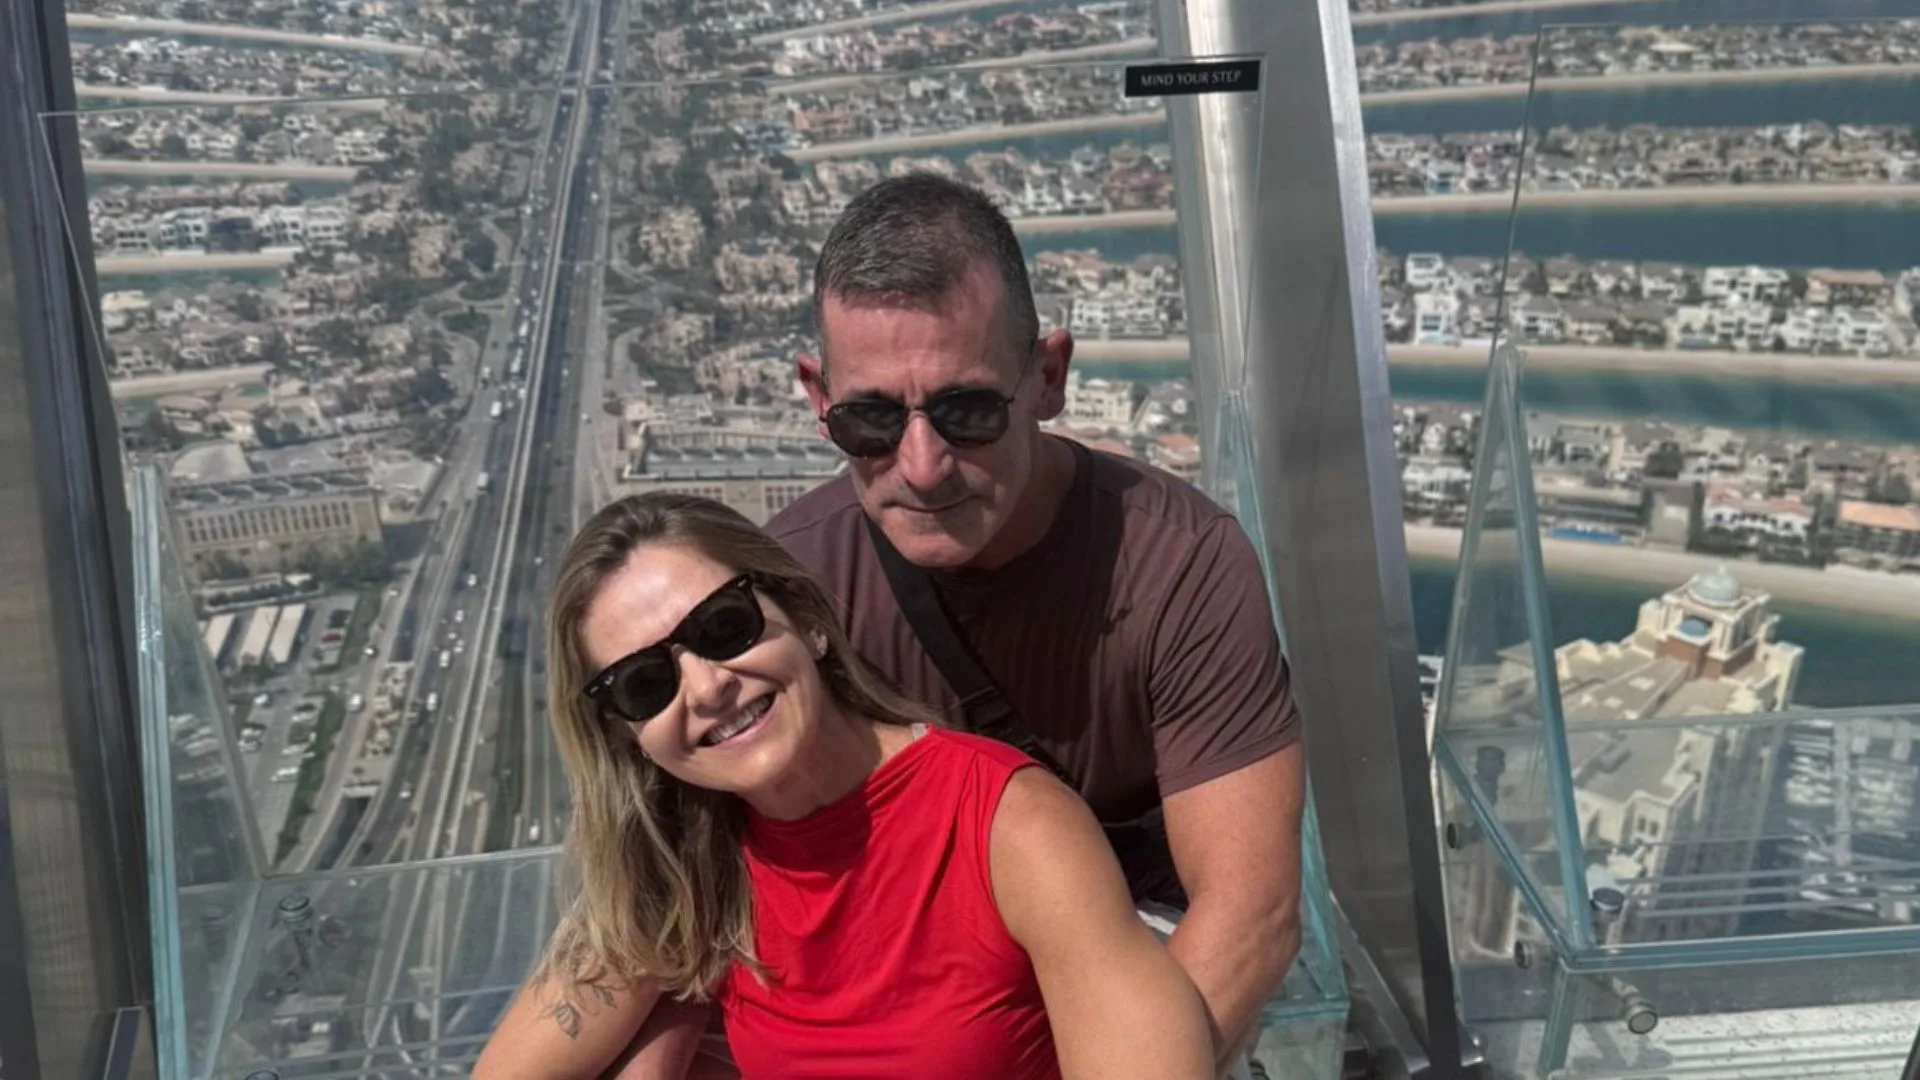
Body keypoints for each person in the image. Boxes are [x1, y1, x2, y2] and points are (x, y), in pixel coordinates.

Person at [769, 172, 1307, 1077]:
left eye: (967, 411)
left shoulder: (1180, 564)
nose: (923, 465)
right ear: (819, 400)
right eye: (871, 419)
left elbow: (1250, 914)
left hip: (1138, 988)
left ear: (1048, 377)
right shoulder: (790, 589)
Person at [473, 492, 1213, 1080]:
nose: (706, 687)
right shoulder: (685, 867)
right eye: (645, 683)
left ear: (808, 619)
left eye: (724, 626)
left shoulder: (1006, 826)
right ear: (628, 736)